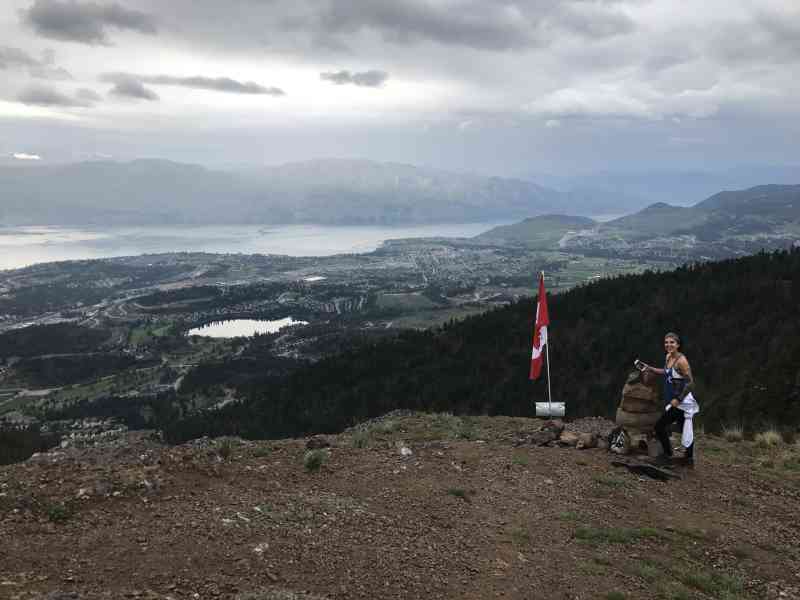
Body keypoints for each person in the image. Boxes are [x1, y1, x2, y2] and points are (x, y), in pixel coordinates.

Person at [640, 332, 699, 465]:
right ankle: (688, 459)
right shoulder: (668, 357)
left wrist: (678, 399)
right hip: (674, 400)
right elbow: (667, 372)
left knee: (659, 426)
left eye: (672, 342)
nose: (668, 345)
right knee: (684, 427)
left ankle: (667, 455)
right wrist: (651, 369)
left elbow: (690, 383)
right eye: (666, 342)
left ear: (678, 345)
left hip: (681, 402)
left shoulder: (682, 361)